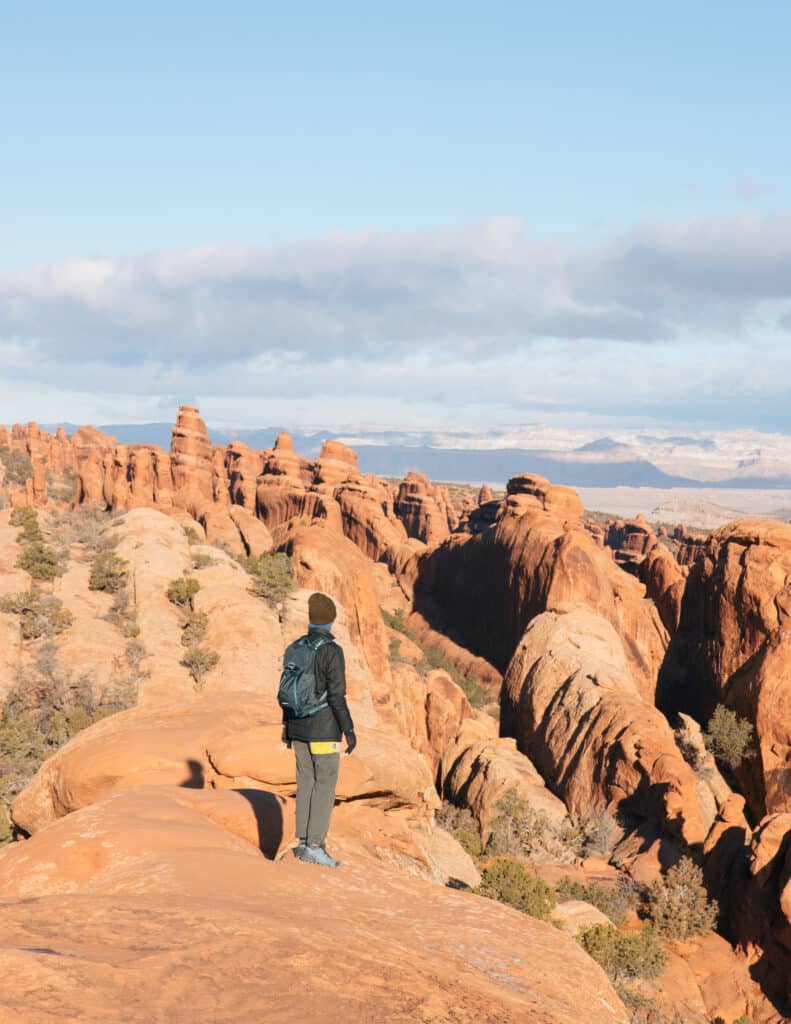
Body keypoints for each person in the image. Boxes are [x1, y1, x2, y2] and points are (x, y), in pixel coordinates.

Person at [281, 592, 356, 868]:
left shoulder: (294, 647)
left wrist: (286, 728)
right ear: (330, 621)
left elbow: (287, 689)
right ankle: (315, 846)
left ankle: (302, 843)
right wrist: (348, 728)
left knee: (305, 784)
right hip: (323, 729)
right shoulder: (331, 651)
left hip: (297, 727)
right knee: (324, 785)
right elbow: (336, 696)